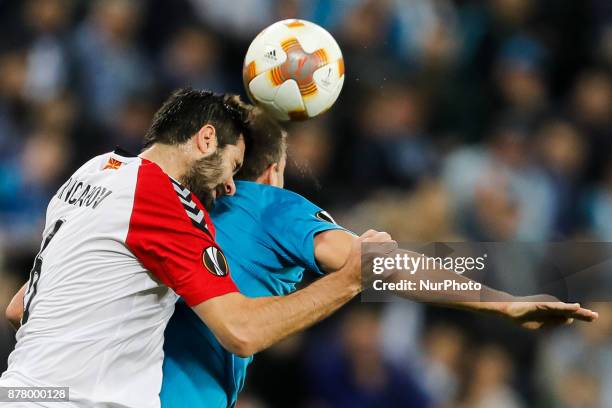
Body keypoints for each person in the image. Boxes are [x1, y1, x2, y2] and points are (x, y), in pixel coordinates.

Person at [160, 104, 598, 408]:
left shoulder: (171, 203)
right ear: (275, 170)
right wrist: (504, 302)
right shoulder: (273, 206)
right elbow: (384, 265)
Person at [0, 88, 394, 408]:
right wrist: (351, 280)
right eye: (231, 165)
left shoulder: (94, 171)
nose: (229, 186)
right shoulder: (167, 199)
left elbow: (19, 309)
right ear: (206, 139)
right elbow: (242, 330)